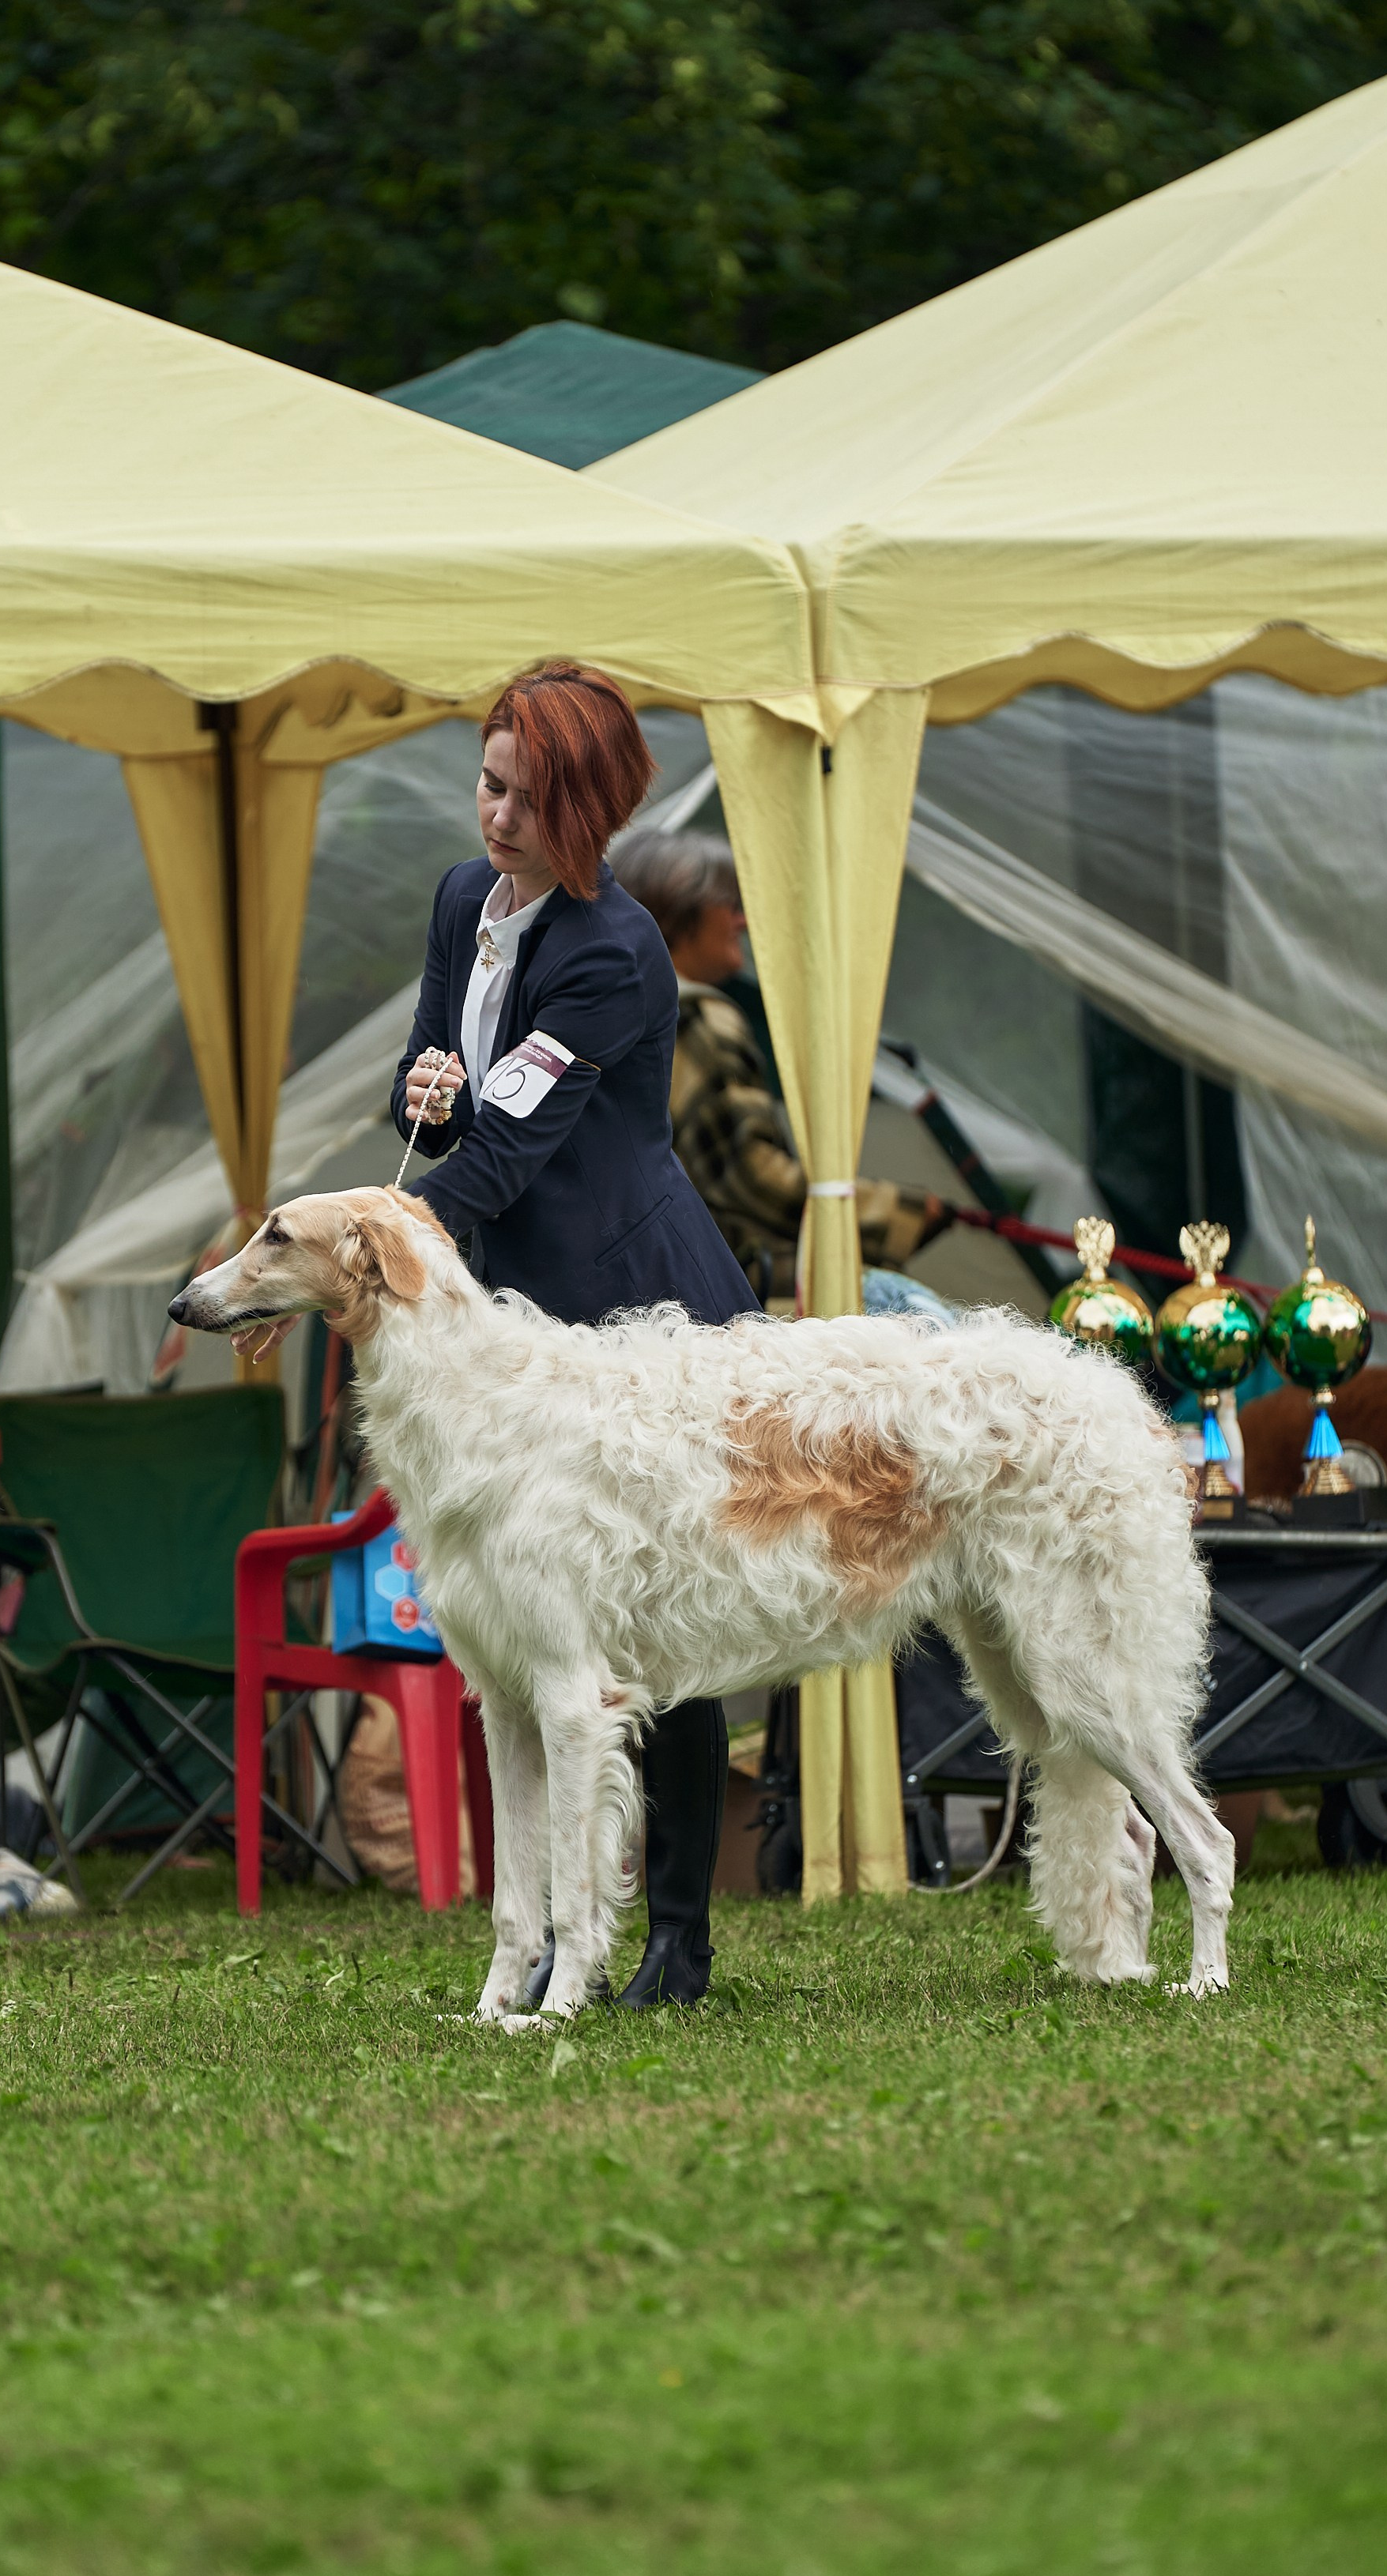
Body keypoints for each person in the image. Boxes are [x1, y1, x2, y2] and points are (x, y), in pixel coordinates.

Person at [390, 663, 754, 2009]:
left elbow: (517, 1152)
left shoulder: (615, 949)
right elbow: (444, 1081)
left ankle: (677, 1936)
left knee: (671, 1627)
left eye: (529, 802)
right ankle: (550, 1930)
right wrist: (422, 1092)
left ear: (588, 811)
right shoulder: (457, 902)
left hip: (638, 1303)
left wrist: (380, 1242)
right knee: (540, 1645)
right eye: (489, 787)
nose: (496, 820)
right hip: (507, 1305)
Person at [608, 829, 947, 1305]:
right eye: (729, 903)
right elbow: (748, 1176)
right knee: (914, 1311)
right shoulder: (698, 1016)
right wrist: (898, 1212)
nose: (743, 920)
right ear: (678, 908)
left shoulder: (609, 1006)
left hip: (637, 1282)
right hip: (719, 1286)